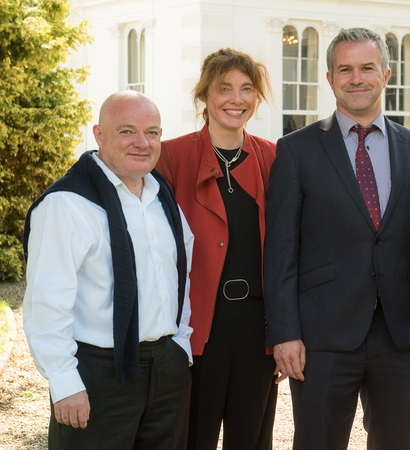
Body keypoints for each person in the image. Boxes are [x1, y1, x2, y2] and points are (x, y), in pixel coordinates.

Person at [264, 27, 410, 450]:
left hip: (402, 337)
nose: (356, 78)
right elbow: (280, 251)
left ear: (386, 74)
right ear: (329, 79)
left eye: (367, 68)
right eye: (344, 69)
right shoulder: (296, 151)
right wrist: (284, 332)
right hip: (320, 337)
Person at [22, 90, 194, 449]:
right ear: (99, 134)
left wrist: (181, 344)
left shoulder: (161, 195)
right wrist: (65, 382)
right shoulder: (67, 204)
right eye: (127, 131)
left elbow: (181, 275)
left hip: (165, 370)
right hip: (98, 373)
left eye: (153, 132)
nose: (142, 143)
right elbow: (46, 303)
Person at [155, 48, 278, 450]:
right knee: (192, 436)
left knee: (252, 437)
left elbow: (289, 248)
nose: (236, 99)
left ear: (256, 99)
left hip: (257, 327)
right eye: (224, 88)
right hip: (197, 326)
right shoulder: (172, 156)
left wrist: (285, 331)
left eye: (246, 89)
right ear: (205, 95)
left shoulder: (273, 157)